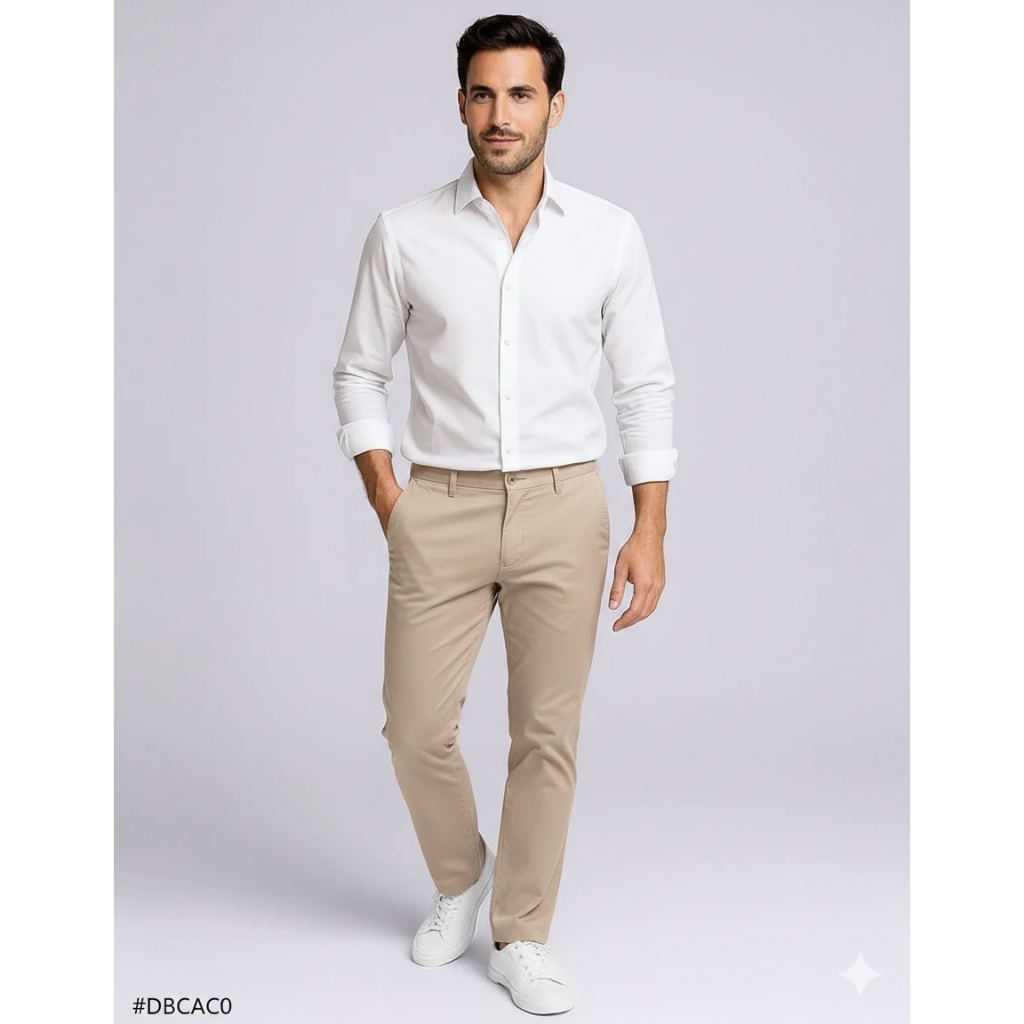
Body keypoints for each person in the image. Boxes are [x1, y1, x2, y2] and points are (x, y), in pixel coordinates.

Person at [332, 13, 677, 1015]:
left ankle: (521, 931)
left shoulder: (609, 234)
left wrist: (650, 526)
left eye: (521, 94)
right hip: (439, 501)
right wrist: (387, 493)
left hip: (566, 504)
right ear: (459, 104)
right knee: (413, 727)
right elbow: (358, 371)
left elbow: (645, 384)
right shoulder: (404, 232)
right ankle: (461, 874)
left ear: (555, 106)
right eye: (482, 93)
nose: (500, 114)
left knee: (546, 733)